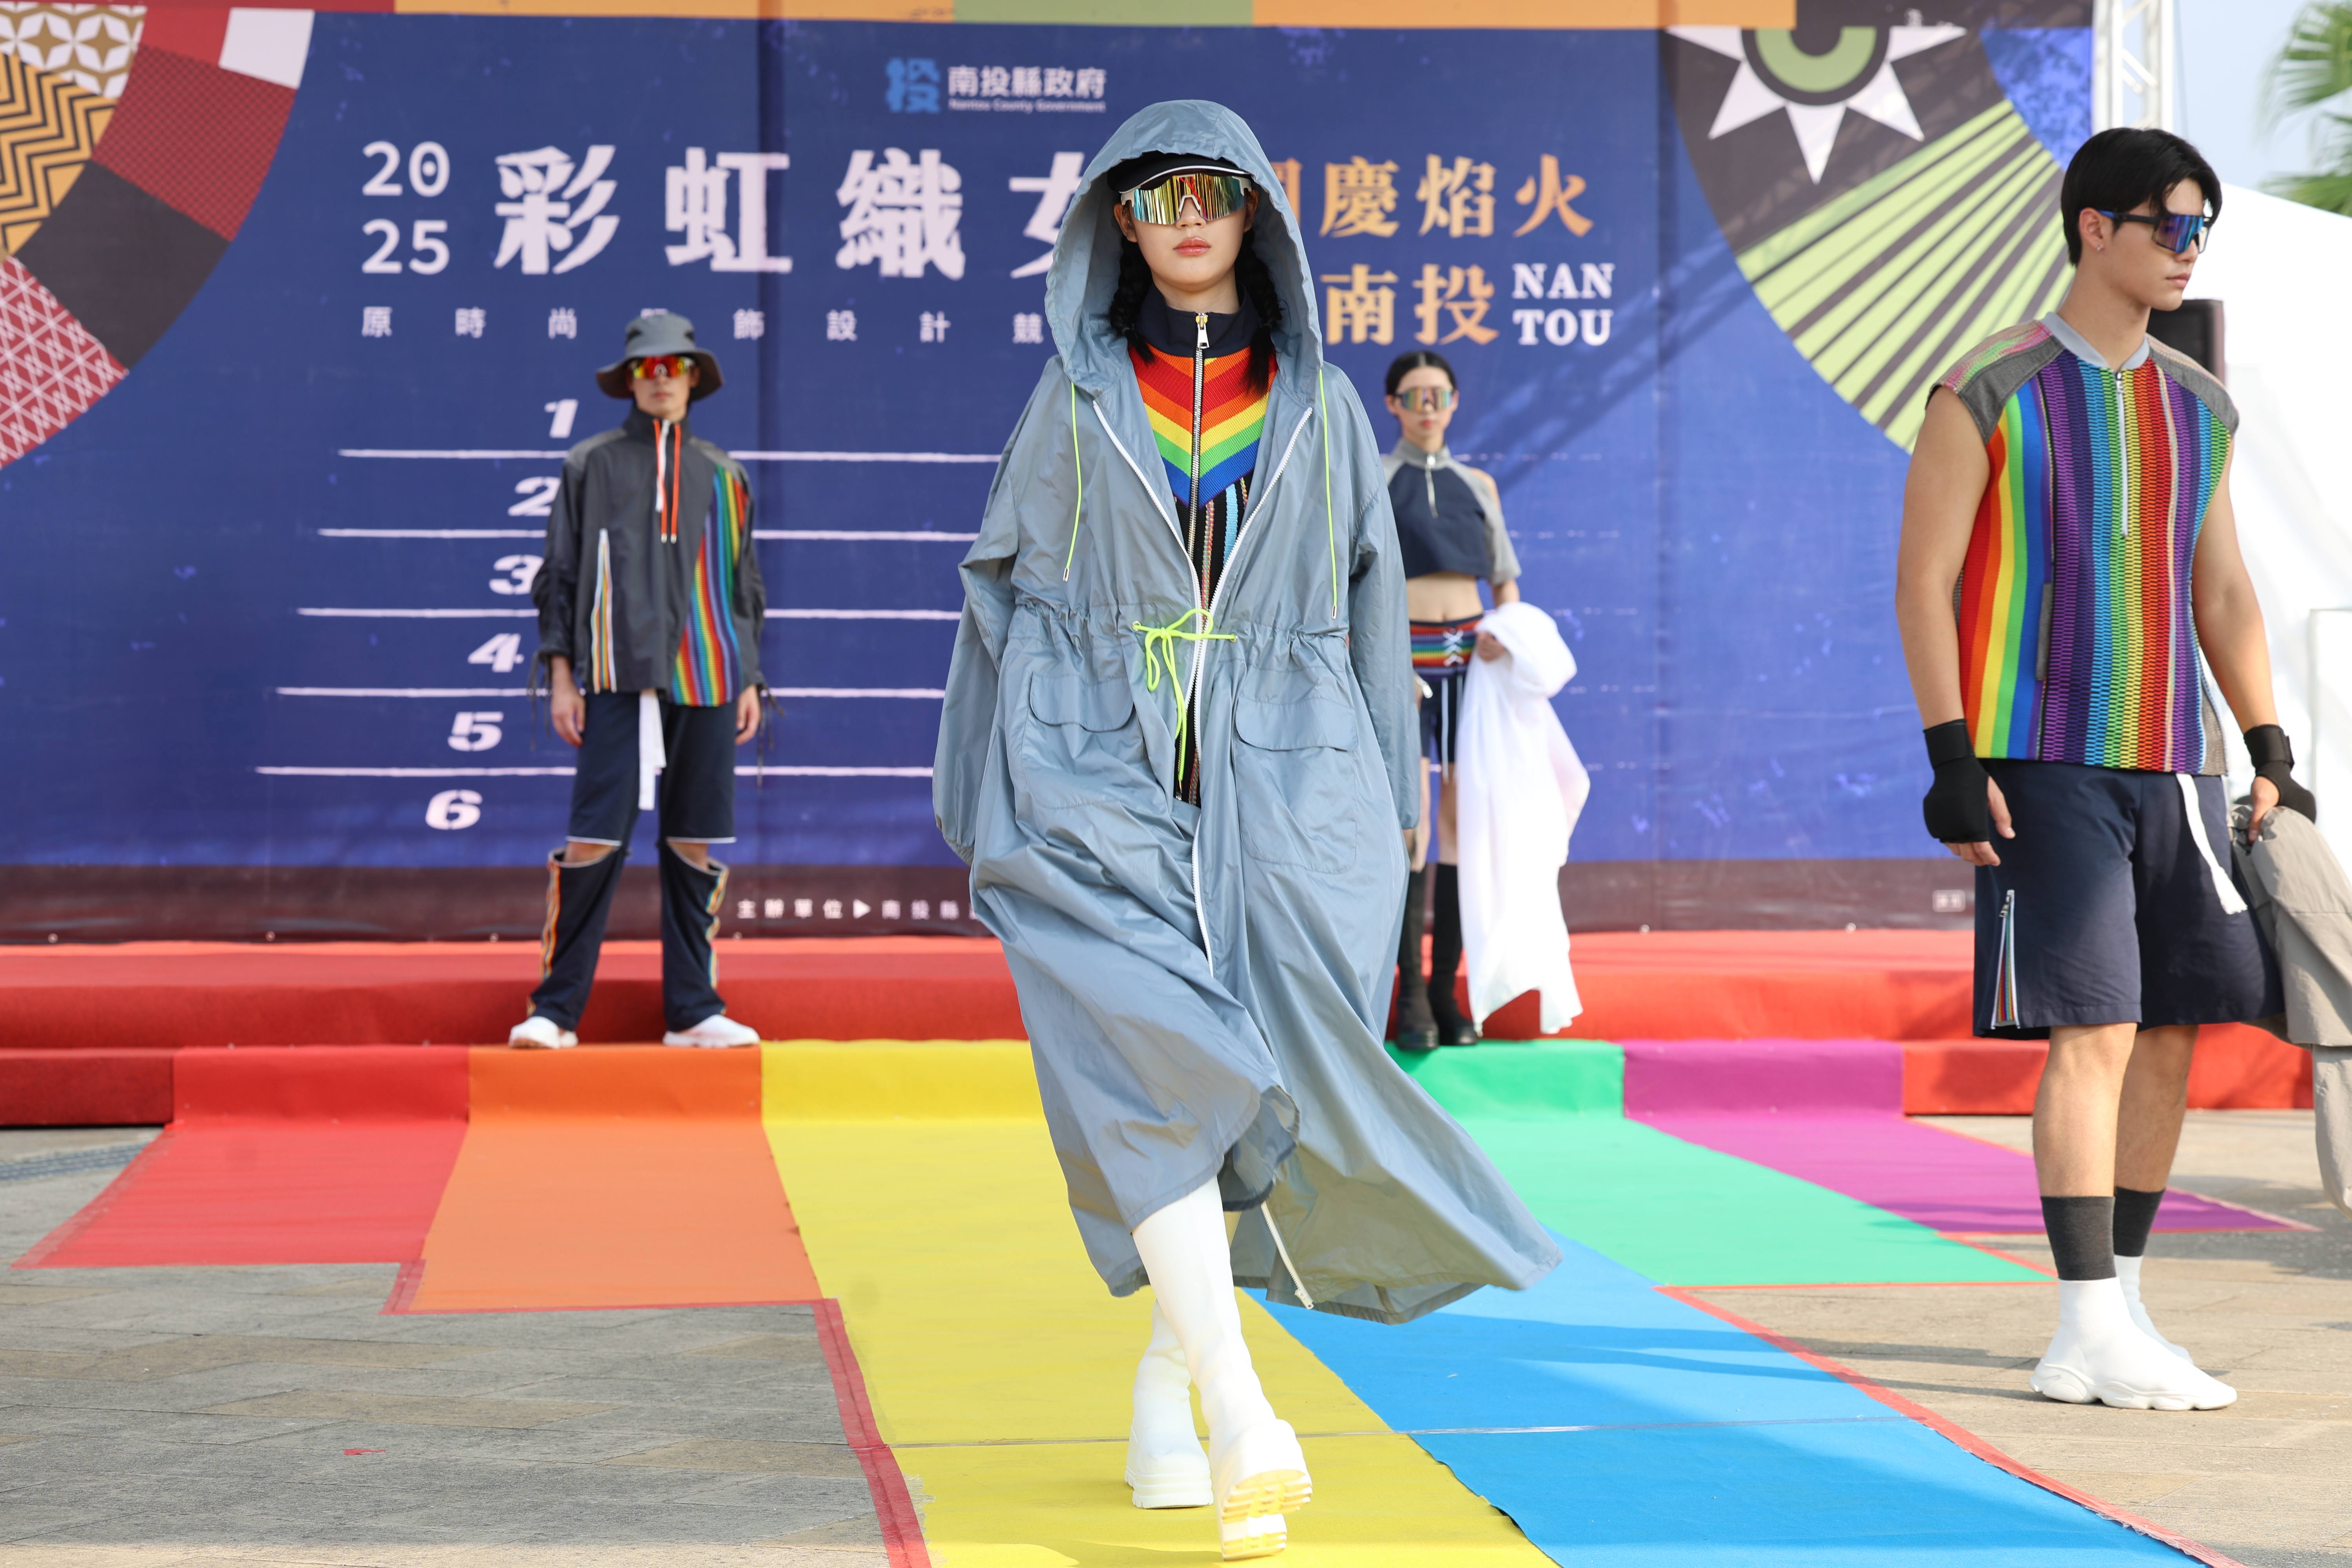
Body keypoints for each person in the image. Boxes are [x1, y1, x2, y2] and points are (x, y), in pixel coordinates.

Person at [934, 101, 1559, 1560]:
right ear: (1119, 222)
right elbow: (998, 592)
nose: (1188, 218)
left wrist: (1382, 810)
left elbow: (1363, 617)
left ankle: (1164, 1391)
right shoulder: (1074, 402)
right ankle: (1238, 1407)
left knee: (1255, 1083)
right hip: (1093, 782)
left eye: (1213, 191)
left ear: (1256, 216)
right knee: (1152, 1063)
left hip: (1291, 793)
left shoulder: (1325, 408)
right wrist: (983, 788)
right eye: (1156, 196)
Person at [1895, 128, 2316, 1411]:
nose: (2191, 251)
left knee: (2174, 1030)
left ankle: (2121, 1305)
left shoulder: (2202, 405)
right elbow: (1922, 582)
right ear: (2095, 228)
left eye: (2203, 229)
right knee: (2096, 1029)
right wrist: (1950, 757)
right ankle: (2081, 1320)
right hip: (2039, 757)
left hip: (2176, 762)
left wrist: (2269, 745)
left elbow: (2223, 592)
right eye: (2171, 226)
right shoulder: (1985, 388)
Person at [510, 312, 769, 1051]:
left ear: (693, 379)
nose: (661, 379)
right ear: (629, 380)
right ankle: (555, 1012)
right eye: (647, 368)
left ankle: (693, 1011)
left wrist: (749, 677)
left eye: (674, 367)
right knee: (593, 839)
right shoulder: (590, 463)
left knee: (693, 841)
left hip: (710, 673)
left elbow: (744, 585)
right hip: (613, 671)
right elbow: (560, 575)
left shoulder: (725, 474)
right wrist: (562, 676)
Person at [1380, 351, 1523, 1049]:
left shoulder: (1478, 485)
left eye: (1438, 394)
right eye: (1414, 396)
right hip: (1401, 659)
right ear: (1393, 406)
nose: (1428, 407)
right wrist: (1378, 660)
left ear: (1456, 401)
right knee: (1410, 828)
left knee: (1463, 823)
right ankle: (1409, 996)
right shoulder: (1373, 479)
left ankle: (1447, 990)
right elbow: (1350, 575)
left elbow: (1505, 581)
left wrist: (1508, 637)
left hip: (1472, 662)